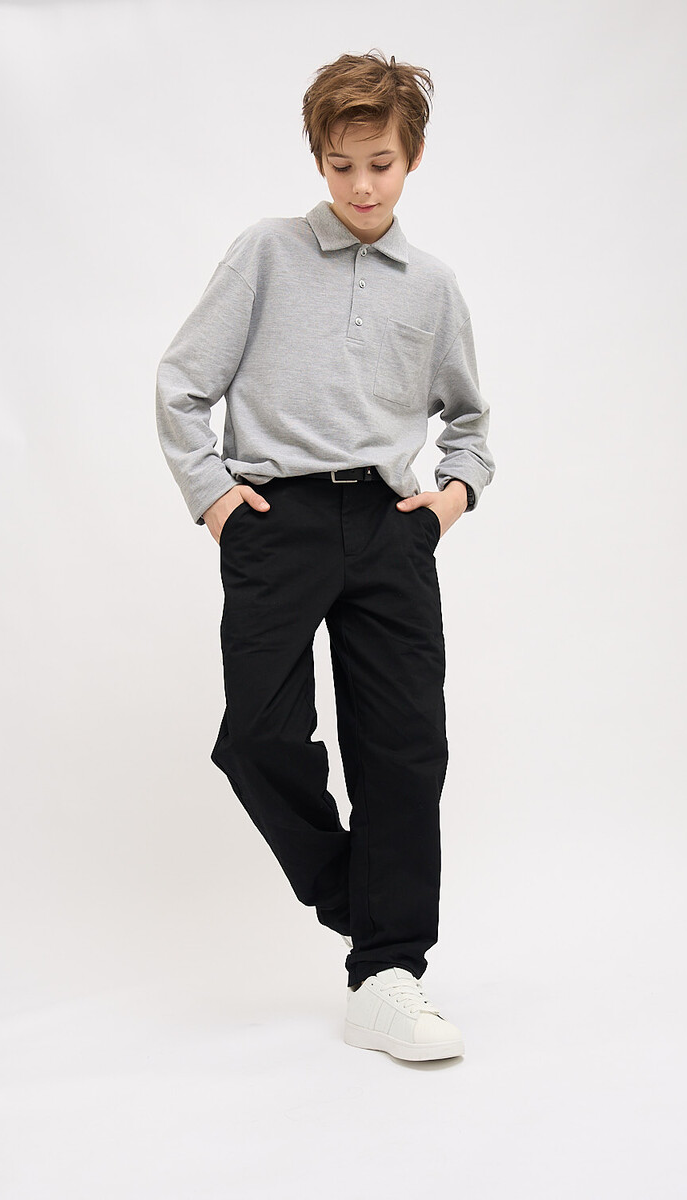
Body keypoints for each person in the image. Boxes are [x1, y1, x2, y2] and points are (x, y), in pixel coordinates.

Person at [155, 49, 495, 1062]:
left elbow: (470, 422)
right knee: (258, 737)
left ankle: (387, 977)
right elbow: (181, 385)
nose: (361, 186)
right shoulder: (265, 252)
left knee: (403, 748)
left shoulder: (432, 287)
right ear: (318, 159)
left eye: (380, 164)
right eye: (341, 165)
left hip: (390, 526)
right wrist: (217, 501)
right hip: (277, 519)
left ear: (411, 158)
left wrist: (448, 501)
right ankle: (362, 900)